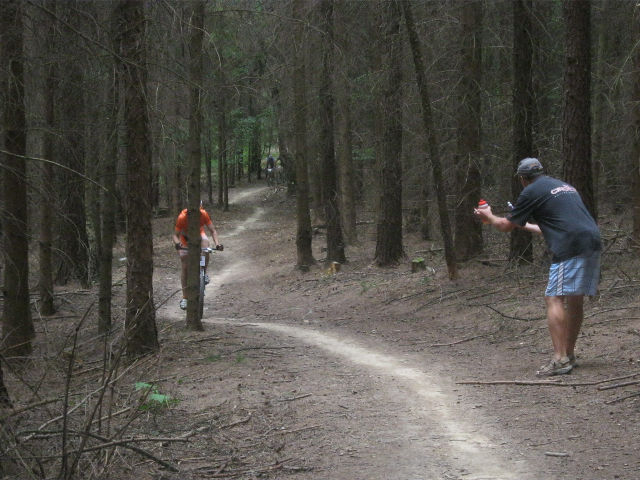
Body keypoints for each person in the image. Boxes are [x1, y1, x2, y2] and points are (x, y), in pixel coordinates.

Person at [474, 158, 601, 376]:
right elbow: (552, 226)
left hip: (570, 245)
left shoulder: (531, 191)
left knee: (554, 298)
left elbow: (504, 226)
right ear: (542, 172)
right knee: (574, 298)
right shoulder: (563, 186)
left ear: (523, 179)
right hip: (592, 240)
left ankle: (560, 359)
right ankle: (568, 355)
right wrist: (524, 225)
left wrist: (489, 216)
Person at [172, 202, 222, 310]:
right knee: (185, 266)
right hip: (185, 239)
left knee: (206, 248)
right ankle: (185, 297)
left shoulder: (203, 214)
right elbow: (175, 235)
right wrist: (177, 244)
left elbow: (213, 230)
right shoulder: (182, 217)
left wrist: (217, 244)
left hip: (199, 235)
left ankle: (203, 271)